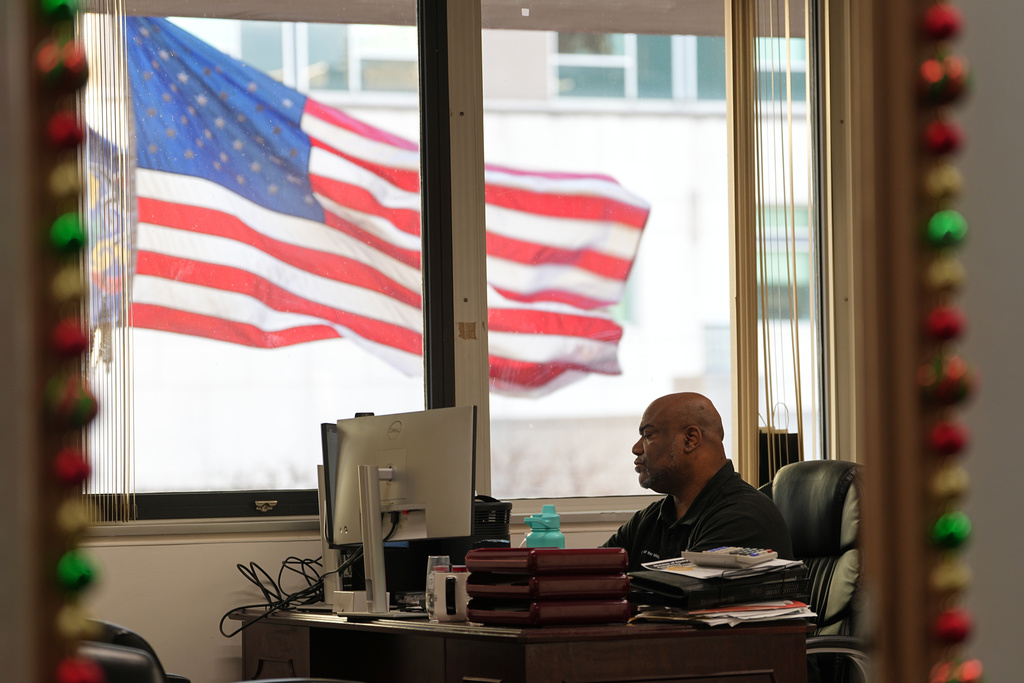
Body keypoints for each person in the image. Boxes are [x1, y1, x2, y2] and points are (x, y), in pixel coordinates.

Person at [603, 392, 794, 572]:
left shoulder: (744, 517)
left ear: (690, 439)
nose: (636, 448)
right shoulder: (648, 521)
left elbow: (677, 594)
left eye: (648, 435)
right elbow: (591, 574)